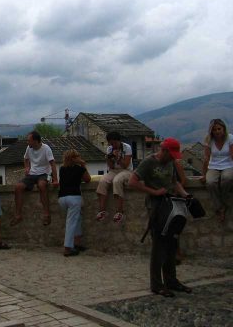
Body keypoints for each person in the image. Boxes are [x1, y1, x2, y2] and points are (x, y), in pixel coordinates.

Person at [128, 138, 192, 298]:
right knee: (158, 245)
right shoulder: (149, 162)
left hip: (170, 205)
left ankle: (171, 280)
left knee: (171, 242)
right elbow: (132, 182)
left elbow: (174, 182)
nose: (173, 158)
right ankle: (156, 284)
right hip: (156, 206)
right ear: (164, 151)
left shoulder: (170, 163)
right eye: (172, 154)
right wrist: (154, 192)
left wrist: (186, 195)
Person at [11, 131, 58, 227]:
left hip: (45, 173)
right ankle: (18, 215)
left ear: (36, 141)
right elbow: (26, 158)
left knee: (42, 185)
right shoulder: (29, 148)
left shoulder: (46, 148)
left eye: (29, 140)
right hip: (32, 174)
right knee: (18, 187)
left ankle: (46, 214)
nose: (27, 142)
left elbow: (52, 164)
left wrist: (55, 180)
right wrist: (27, 168)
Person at [58, 150, 91, 257]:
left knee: (77, 218)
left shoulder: (62, 169)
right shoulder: (80, 169)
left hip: (62, 198)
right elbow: (87, 179)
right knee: (71, 222)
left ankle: (76, 243)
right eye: (78, 156)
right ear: (74, 158)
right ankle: (67, 248)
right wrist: (83, 164)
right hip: (74, 198)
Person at [95, 131, 134, 223]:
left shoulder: (127, 148)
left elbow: (125, 165)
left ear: (119, 141)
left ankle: (119, 211)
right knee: (103, 181)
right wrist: (108, 159)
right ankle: (102, 210)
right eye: (111, 143)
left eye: (114, 143)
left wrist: (117, 158)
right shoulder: (110, 149)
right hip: (114, 170)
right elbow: (111, 167)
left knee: (117, 181)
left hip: (126, 171)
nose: (113, 145)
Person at [200, 118, 233, 223]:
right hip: (213, 166)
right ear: (211, 131)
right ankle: (221, 207)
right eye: (214, 130)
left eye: (219, 129)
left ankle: (221, 205)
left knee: (227, 179)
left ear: (223, 129)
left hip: (228, 165)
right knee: (210, 182)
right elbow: (206, 158)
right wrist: (204, 174)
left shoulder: (230, 138)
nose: (217, 131)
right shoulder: (208, 140)